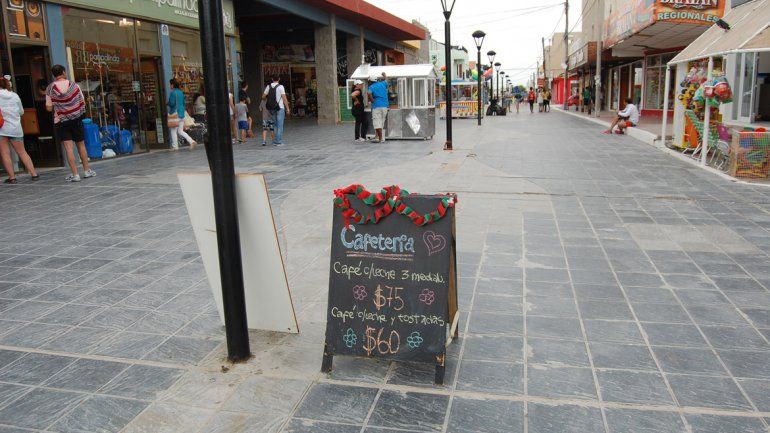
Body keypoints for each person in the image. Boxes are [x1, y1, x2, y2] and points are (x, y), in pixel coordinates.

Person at [45, 64, 95, 182]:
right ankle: (87, 171)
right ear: (63, 72)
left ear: (54, 74)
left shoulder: (50, 88)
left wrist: (60, 105)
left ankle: (75, 174)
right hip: (76, 119)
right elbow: (82, 101)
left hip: (61, 121)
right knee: (81, 145)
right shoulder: (74, 85)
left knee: (68, 148)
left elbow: (48, 108)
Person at [0, 77, 38, 184]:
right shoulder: (14, 95)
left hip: (1, 128)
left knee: (5, 153)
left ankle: (12, 177)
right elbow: (21, 112)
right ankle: (34, 173)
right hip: (15, 127)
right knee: (22, 151)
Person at [167, 78, 196, 150]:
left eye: (170, 84)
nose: (169, 85)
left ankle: (175, 147)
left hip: (175, 114)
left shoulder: (173, 93)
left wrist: (167, 103)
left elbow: (172, 103)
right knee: (180, 131)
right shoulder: (180, 92)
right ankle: (191, 141)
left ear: (172, 85)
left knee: (173, 130)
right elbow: (183, 103)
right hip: (181, 113)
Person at [262, 75, 290, 146]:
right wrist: (287, 108)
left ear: (272, 79)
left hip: (272, 108)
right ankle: (278, 141)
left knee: (275, 125)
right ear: (279, 79)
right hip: (280, 107)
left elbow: (263, 96)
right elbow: (284, 98)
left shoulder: (268, 86)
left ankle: (274, 141)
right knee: (280, 125)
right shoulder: (281, 87)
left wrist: (267, 99)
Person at [368, 73, 389, 143]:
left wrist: (372, 100)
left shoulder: (371, 87)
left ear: (371, 81)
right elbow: (386, 80)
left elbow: (369, 93)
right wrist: (384, 75)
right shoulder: (382, 84)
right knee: (382, 122)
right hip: (385, 106)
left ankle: (380, 138)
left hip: (377, 106)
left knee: (377, 123)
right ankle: (380, 137)